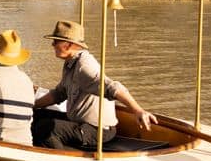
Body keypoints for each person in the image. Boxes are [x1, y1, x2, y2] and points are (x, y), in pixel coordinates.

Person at [33, 20, 157, 150]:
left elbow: (111, 87)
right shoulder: (70, 63)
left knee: (45, 129)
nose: (52, 44)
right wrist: (32, 106)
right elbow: (58, 94)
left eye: (56, 41)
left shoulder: (84, 67)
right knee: (38, 116)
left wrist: (137, 110)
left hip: (97, 130)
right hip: (78, 122)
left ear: (68, 45)